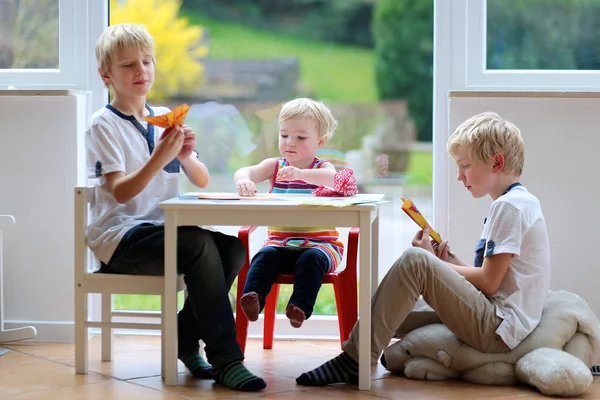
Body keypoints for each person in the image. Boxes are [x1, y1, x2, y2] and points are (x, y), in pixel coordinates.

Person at [296, 111, 551, 386]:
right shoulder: (517, 202)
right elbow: (496, 280)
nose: (459, 176)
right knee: (386, 311)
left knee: (415, 261)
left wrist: (433, 263)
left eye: (465, 165)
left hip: (499, 329)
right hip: (497, 317)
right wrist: (448, 261)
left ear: (497, 162)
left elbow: (489, 283)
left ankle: (354, 361)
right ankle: (355, 352)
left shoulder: (509, 207)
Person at [86, 23, 265, 392]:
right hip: (121, 238)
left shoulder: (166, 116)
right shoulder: (102, 124)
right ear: (106, 74)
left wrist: (183, 156)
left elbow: (199, 179)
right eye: (128, 65)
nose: (141, 71)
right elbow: (120, 193)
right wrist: (157, 157)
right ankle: (226, 359)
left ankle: (183, 340)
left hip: (165, 232)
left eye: (147, 62)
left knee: (233, 248)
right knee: (199, 245)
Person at [234, 98, 343, 328]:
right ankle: (253, 298)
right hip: (281, 244)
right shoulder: (274, 167)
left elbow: (333, 180)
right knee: (264, 256)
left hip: (321, 247)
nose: (289, 142)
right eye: (284, 135)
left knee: (310, 260)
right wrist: (244, 179)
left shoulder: (321, 168)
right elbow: (247, 170)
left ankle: (299, 308)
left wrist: (301, 175)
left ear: (320, 141)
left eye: (300, 137)